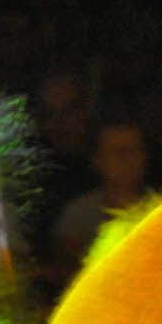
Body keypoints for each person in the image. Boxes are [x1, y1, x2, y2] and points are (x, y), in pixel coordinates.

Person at [48, 120, 147, 295]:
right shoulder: (78, 215)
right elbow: (65, 274)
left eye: (133, 150)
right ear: (98, 160)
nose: (126, 159)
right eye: (117, 152)